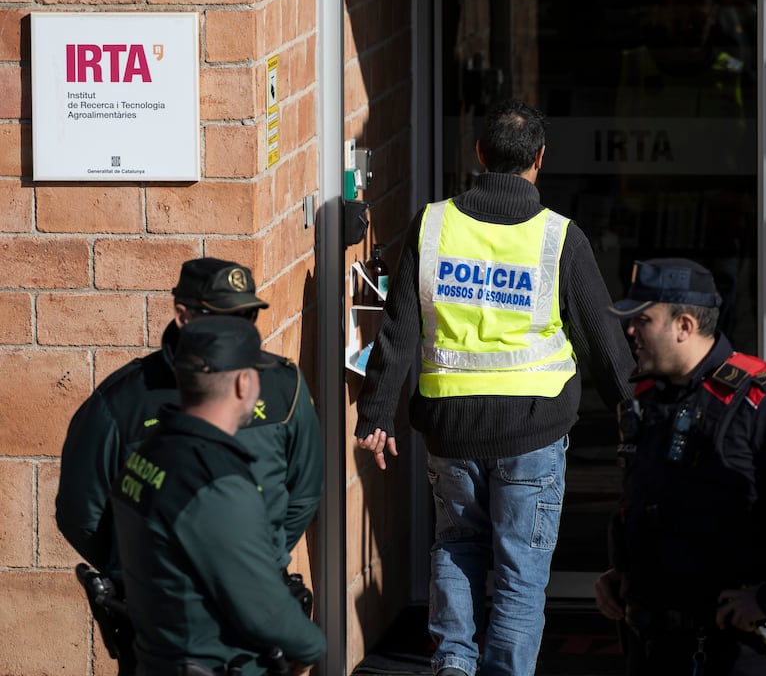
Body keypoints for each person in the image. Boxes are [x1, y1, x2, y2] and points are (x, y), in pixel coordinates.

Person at [354, 98, 634, 676]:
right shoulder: (560, 238)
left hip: (451, 430)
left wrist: (376, 414)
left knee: (456, 545)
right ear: (540, 159)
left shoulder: (432, 225)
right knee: (520, 570)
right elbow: (603, 342)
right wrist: (636, 416)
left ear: (479, 154)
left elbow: (399, 330)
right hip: (532, 429)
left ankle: (454, 664)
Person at [56, 258, 324, 672]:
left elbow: (302, 493)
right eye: (226, 318)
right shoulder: (123, 402)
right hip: (171, 628)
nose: (243, 330)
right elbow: (81, 515)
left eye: (247, 316)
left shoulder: (281, 384)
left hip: (257, 611)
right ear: (183, 316)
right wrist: (154, 561)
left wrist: (248, 562)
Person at [593, 258, 766, 676]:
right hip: (652, 640)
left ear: (684, 326)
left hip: (734, 647)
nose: (630, 332)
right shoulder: (648, 396)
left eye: (643, 320)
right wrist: (621, 573)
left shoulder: (763, 401)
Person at [110, 315, 326, 674]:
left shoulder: (149, 454)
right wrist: (311, 643)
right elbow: (265, 611)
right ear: (244, 383)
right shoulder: (216, 483)